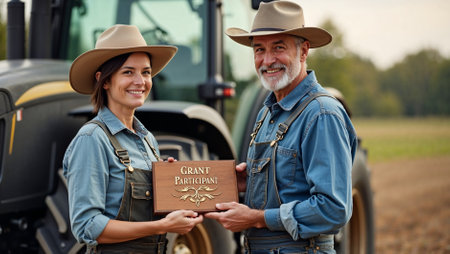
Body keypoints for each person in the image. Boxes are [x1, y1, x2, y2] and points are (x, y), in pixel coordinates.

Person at [205, 1, 357, 253]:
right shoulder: (267, 112)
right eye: (259, 50)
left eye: (278, 48)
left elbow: (334, 209)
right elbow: (290, 186)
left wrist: (257, 218)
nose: (267, 60)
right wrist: (249, 181)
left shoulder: (321, 114)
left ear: (304, 51)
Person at [63, 24, 203, 253]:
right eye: (128, 72)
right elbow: (87, 226)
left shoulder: (148, 139)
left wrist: (171, 190)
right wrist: (160, 226)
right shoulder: (92, 139)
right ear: (104, 80)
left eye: (146, 72)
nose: (140, 81)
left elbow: (146, 211)